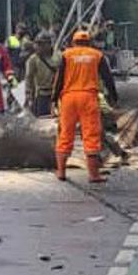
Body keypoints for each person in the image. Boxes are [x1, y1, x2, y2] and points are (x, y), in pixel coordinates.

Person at [52, 29, 119, 183]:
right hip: (88, 98)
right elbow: (108, 78)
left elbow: (59, 79)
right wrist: (114, 97)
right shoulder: (97, 55)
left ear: (73, 42)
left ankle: (61, 172)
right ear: (89, 42)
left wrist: (54, 99)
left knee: (65, 135)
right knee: (91, 135)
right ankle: (93, 175)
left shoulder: (66, 55)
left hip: (69, 98)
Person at [23, 31, 58, 117]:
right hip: (41, 96)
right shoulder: (33, 59)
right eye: (38, 44)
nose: (38, 47)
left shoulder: (58, 56)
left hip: (56, 95)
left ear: (49, 44)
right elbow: (29, 79)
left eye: (42, 44)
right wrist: (29, 96)